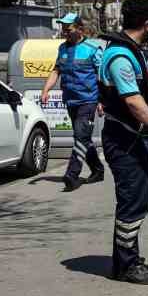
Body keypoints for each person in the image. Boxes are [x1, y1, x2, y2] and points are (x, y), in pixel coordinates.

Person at [96, 0, 148, 285]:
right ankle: (126, 266)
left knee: (136, 202)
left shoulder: (131, 50)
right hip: (125, 141)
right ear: (147, 23)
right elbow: (132, 101)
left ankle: (128, 258)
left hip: (133, 139)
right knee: (132, 204)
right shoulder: (120, 56)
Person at [39, 12, 105, 191]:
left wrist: (102, 101)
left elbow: (101, 77)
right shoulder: (62, 48)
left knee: (81, 137)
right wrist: (46, 90)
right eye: (64, 29)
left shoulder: (92, 49)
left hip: (88, 101)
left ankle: (72, 175)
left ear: (80, 29)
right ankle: (98, 170)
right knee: (83, 138)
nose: (65, 32)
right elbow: (56, 71)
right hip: (70, 100)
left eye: (68, 29)